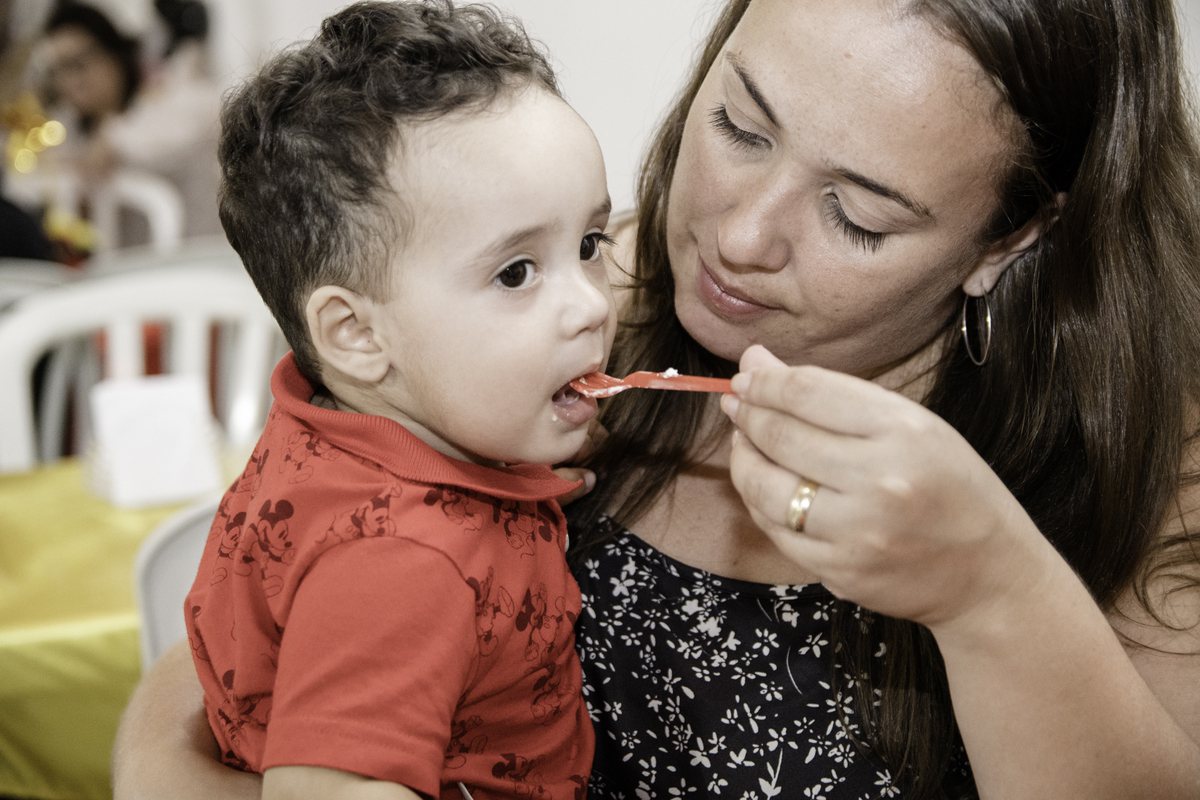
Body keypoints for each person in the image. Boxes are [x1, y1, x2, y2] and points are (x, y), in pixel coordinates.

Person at [113, 0, 1200, 797]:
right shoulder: (570, 305)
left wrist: (991, 591)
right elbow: (209, 695)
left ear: (1009, 239)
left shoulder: (1150, 455)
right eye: (741, 126)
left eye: (858, 216)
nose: (737, 238)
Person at [177, 2, 614, 798]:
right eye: (516, 272)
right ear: (355, 336)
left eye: (591, 245)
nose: (592, 305)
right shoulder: (405, 565)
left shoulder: (357, 421)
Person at [41, 1, 222, 240]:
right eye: (58, 71)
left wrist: (115, 141)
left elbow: (207, 112)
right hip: (129, 265)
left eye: (78, 64)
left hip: (195, 257)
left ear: (114, 53)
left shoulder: (163, 97)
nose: (70, 82)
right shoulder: (74, 128)